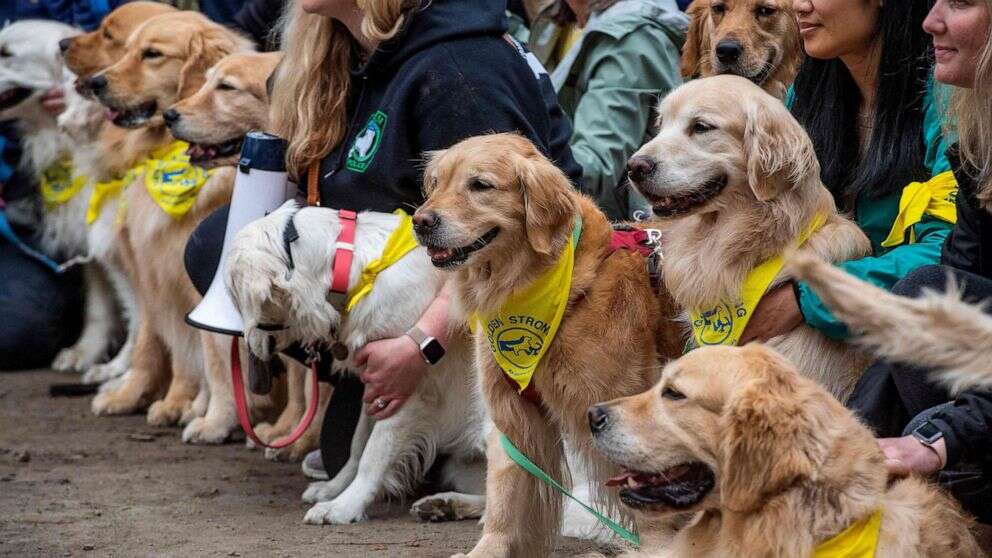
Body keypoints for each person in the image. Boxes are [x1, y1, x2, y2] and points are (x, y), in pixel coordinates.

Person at [184, 0, 581, 480]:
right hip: (399, 293)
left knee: (365, 464)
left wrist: (420, 347)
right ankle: (384, 387)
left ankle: (460, 418)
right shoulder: (336, 50)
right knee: (222, 247)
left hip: (512, 318)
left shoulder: (461, 67)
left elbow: (510, 244)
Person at [834, 0, 992, 522]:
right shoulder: (977, 142)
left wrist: (937, 437)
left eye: (962, 3)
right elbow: (944, 294)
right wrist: (843, 443)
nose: (930, 20)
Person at [742, 0, 954, 344]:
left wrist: (810, 297)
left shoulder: (949, 92)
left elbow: (952, 252)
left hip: (926, 337)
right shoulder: (808, 92)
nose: (799, 6)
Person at [526, 0, 687, 220]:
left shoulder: (630, 39)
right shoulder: (562, 19)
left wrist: (510, 167)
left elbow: (592, 171)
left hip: (619, 234)